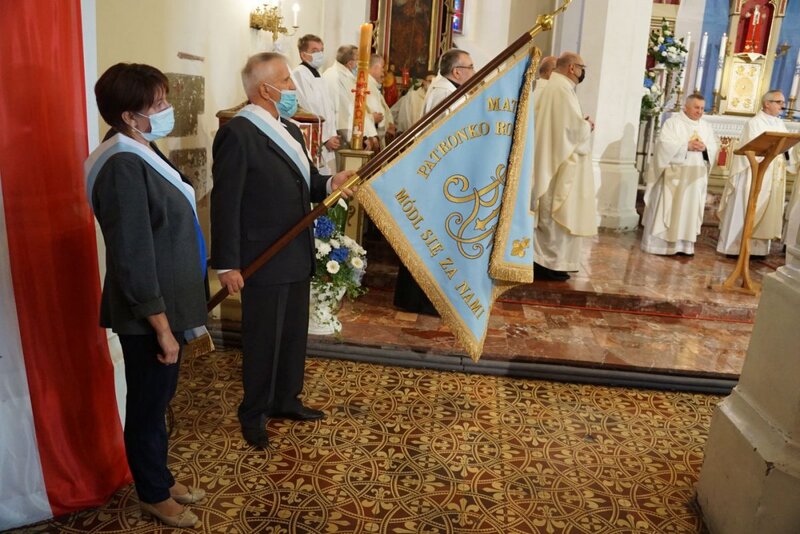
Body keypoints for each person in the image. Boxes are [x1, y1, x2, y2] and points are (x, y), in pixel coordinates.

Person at [211, 53, 354, 450]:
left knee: (292, 334)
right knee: (262, 339)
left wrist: (330, 182)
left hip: (295, 250)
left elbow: (306, 182)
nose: (292, 89)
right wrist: (227, 263)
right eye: (287, 82)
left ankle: (286, 399)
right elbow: (226, 202)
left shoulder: (288, 128)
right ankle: (253, 412)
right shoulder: (239, 133)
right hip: (261, 255)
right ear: (265, 89)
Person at [86, 63, 208, 528]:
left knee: (159, 401)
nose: (165, 110)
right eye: (156, 105)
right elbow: (132, 254)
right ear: (128, 116)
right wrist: (160, 325)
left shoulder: (142, 147)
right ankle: (153, 494)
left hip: (167, 305)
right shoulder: (119, 164)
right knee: (146, 403)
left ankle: (159, 475)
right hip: (147, 312)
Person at [531, 52, 597, 281]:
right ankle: (550, 263)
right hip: (559, 165)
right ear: (571, 68)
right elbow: (571, 131)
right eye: (582, 67)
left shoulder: (556, 87)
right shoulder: (560, 89)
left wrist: (581, 125)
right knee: (554, 214)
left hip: (554, 158)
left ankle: (549, 262)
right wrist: (586, 126)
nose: (583, 71)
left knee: (550, 213)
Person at [641, 93, 719, 256]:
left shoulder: (706, 126)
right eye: (696, 108)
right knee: (671, 207)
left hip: (695, 176)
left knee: (689, 209)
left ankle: (683, 246)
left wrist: (705, 148)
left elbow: (713, 147)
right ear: (686, 107)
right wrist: (686, 146)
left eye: (702, 108)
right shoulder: (673, 123)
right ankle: (661, 245)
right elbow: (663, 145)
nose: (700, 112)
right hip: (674, 176)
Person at [717, 90, 793, 257]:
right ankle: (734, 248)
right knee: (746, 207)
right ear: (767, 103)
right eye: (779, 102)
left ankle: (757, 250)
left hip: (773, 174)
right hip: (754, 174)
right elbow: (752, 149)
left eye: (782, 102)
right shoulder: (755, 123)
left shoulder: (779, 124)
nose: (783, 106)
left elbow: (787, 146)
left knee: (766, 208)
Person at [292, 34, 340, 174]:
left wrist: (333, 134)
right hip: (316, 140)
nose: (319, 54)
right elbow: (307, 109)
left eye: (321, 50)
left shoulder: (319, 76)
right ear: (303, 54)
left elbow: (328, 109)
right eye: (314, 51)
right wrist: (325, 138)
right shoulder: (299, 74)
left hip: (328, 140)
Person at [322, 44, 378, 150]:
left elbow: (359, 108)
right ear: (350, 63)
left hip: (352, 135)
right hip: (341, 138)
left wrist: (370, 134)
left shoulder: (346, 77)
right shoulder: (334, 77)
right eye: (358, 60)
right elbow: (343, 112)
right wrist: (359, 138)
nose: (360, 64)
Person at [422, 48, 475, 115]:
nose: (474, 72)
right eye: (471, 67)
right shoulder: (449, 97)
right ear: (456, 72)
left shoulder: (442, 89)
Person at [366, 53, 397, 148]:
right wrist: (387, 128)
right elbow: (376, 114)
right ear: (375, 67)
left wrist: (389, 124)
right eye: (382, 68)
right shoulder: (367, 86)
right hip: (373, 138)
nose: (384, 72)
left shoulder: (373, 86)